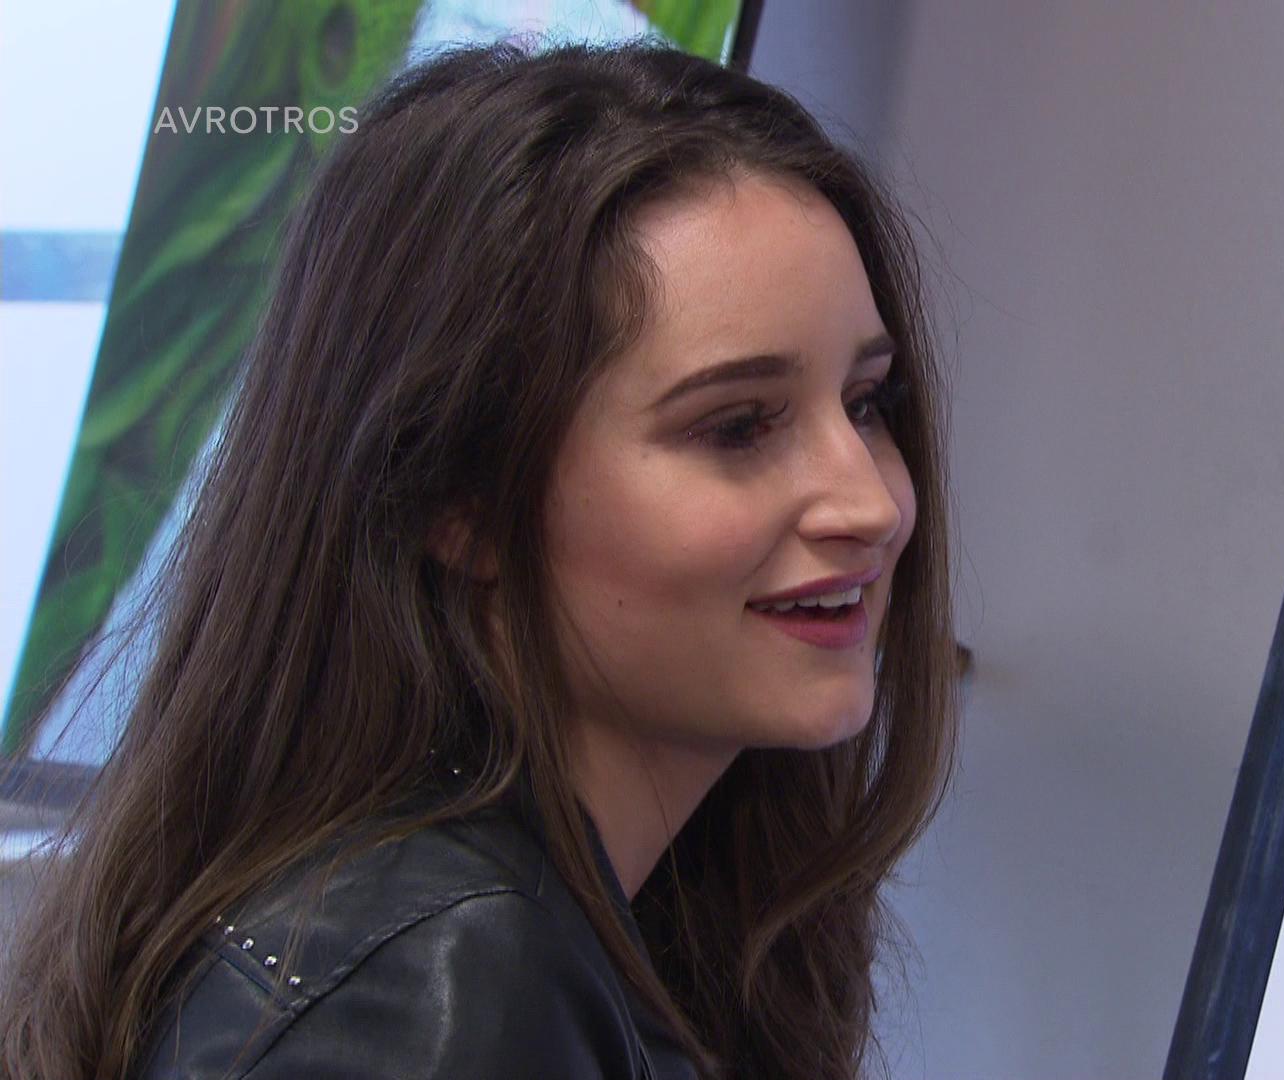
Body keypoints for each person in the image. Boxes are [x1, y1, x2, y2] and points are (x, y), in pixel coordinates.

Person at [0, 36, 958, 1080]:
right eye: (736, 426)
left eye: (867, 404)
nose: (872, 504)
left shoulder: (573, 926)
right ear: (459, 503)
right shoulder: (450, 990)